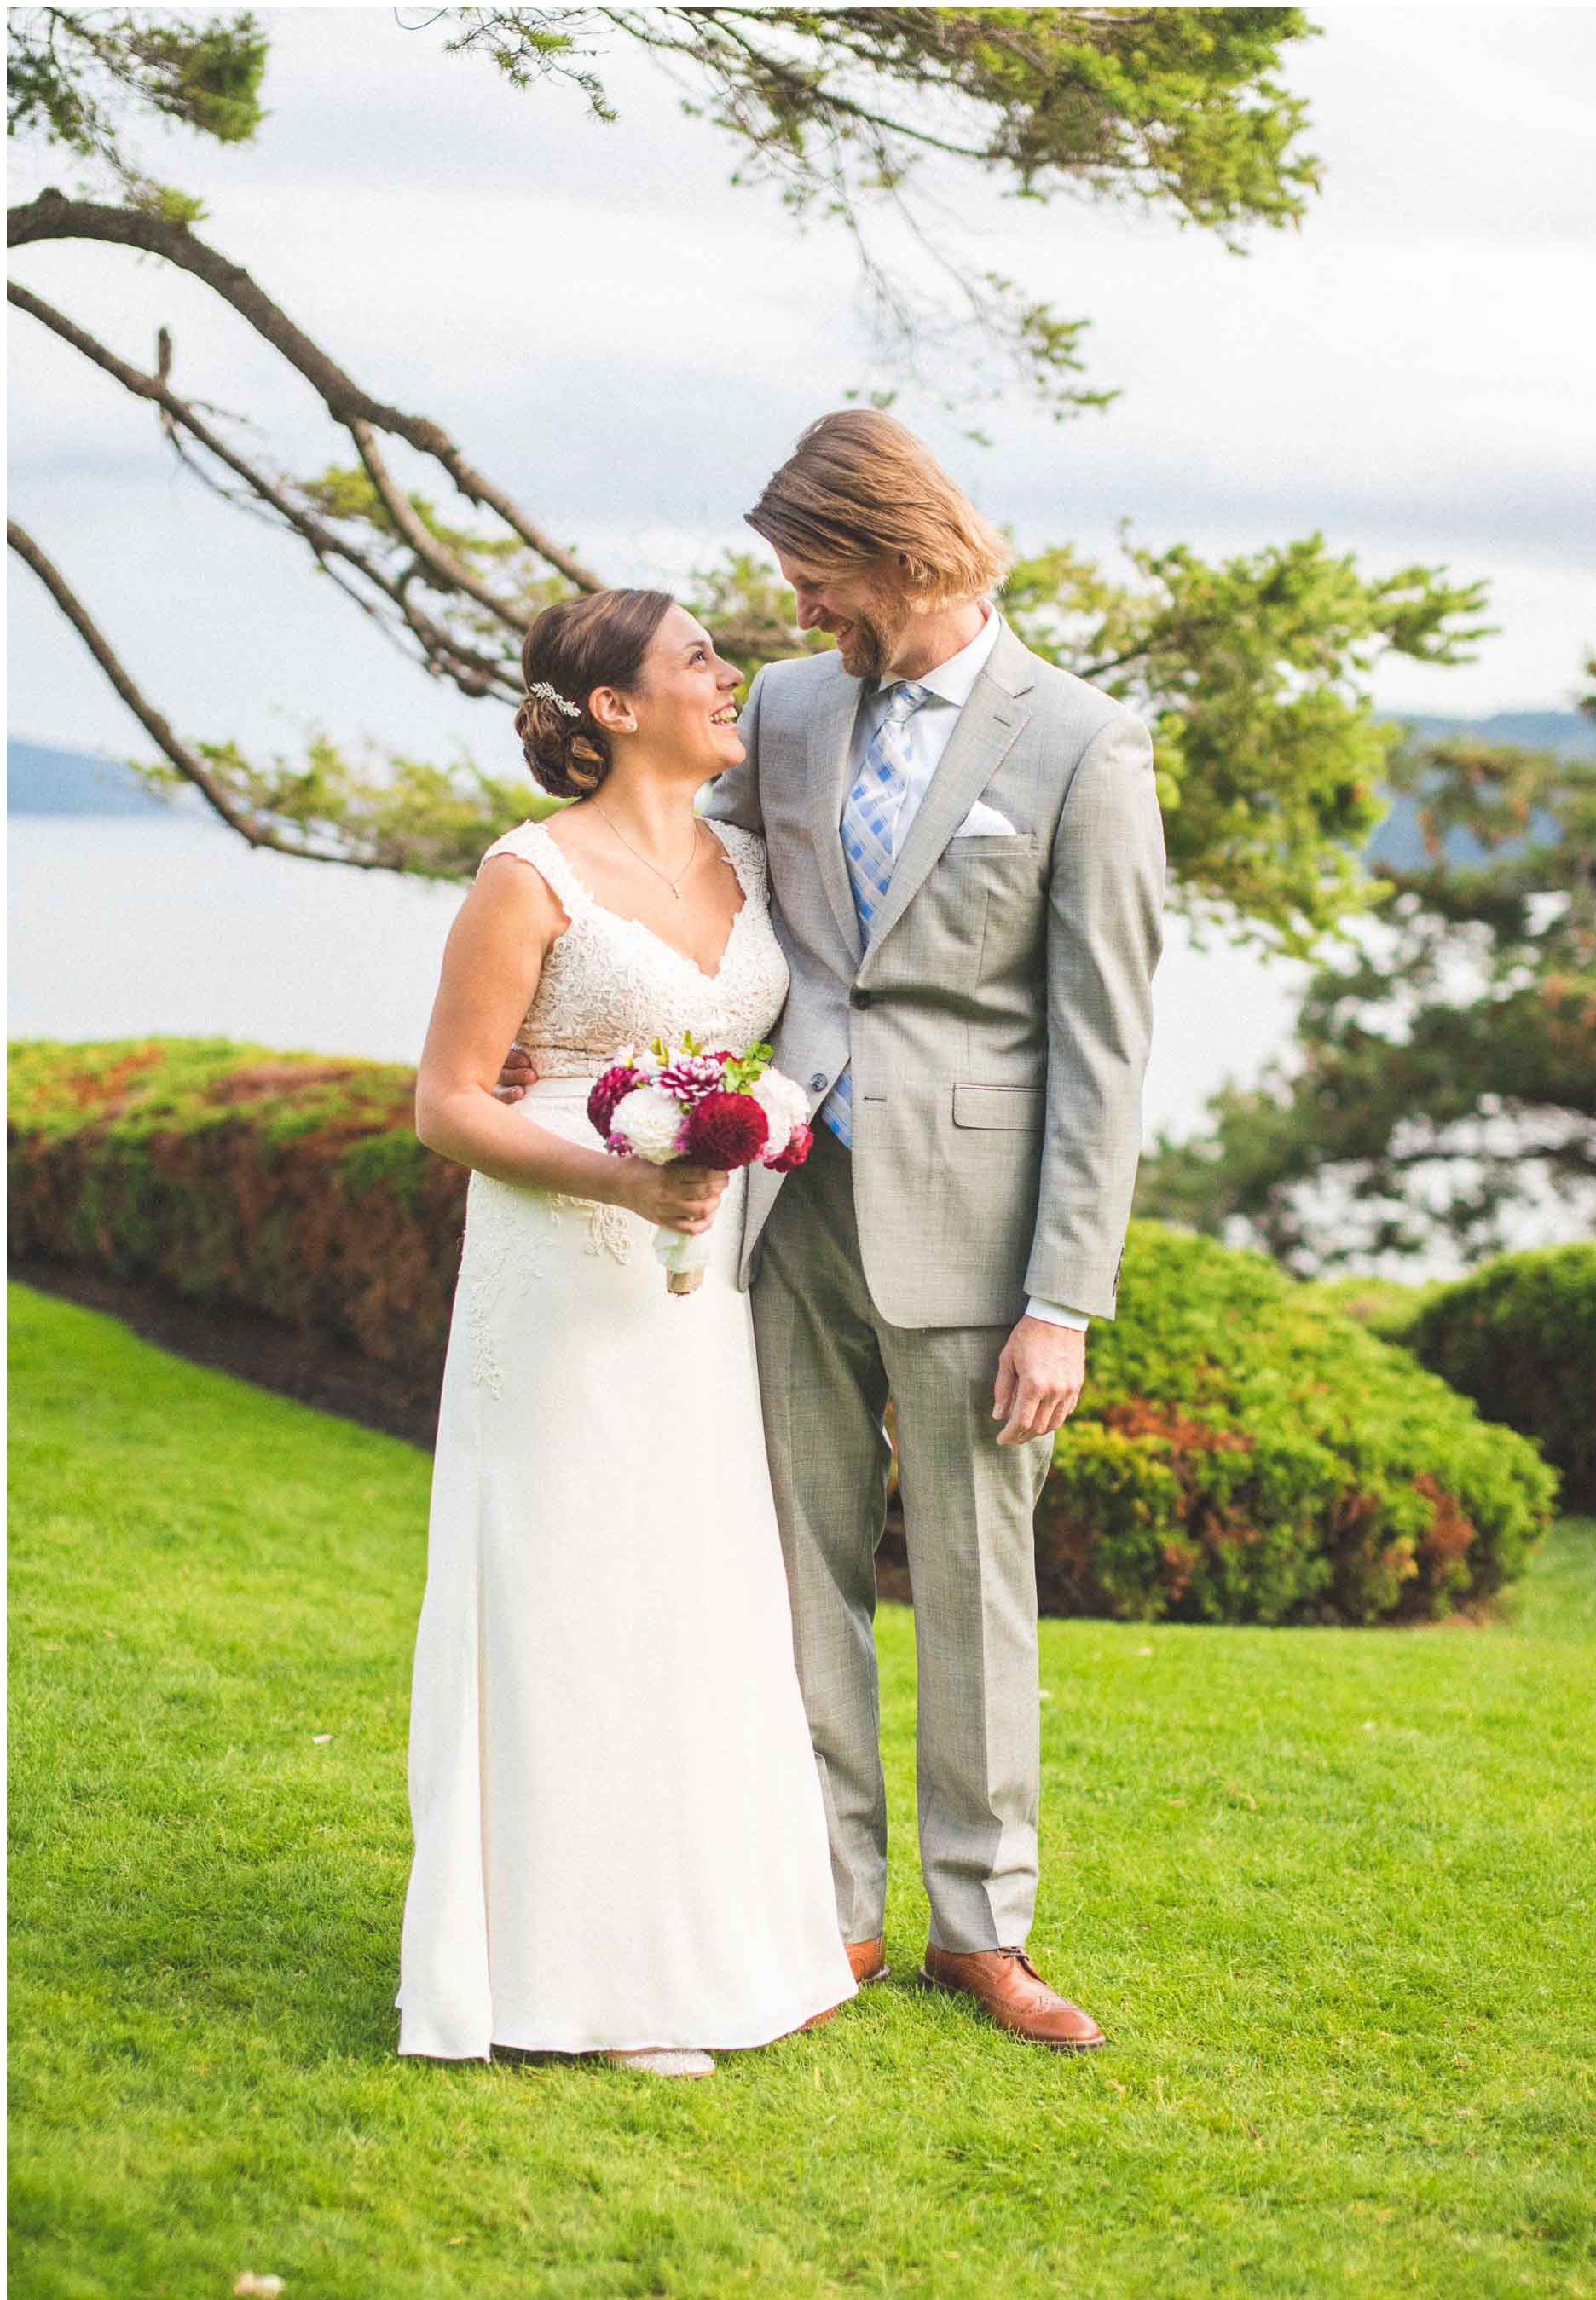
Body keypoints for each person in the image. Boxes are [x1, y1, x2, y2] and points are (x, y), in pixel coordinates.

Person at [504, 412, 1166, 2051]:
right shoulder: (792, 712)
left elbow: (1104, 1045)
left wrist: (1064, 1300)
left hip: (981, 1239)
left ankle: (983, 1927)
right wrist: (549, 1013)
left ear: (901, 549)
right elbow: (661, 862)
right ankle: (828, 1903)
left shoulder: (1083, 742)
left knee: (974, 1582)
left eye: (818, 577)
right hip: (784, 1211)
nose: (797, 614)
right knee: (796, 1566)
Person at [395, 586, 858, 2078]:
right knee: (571, 1589)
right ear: (613, 707)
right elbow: (446, 1102)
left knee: (692, 1588)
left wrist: (750, 1129)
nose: (731, 675)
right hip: (562, 1266)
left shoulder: (749, 859)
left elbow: (786, 1032)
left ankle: (715, 1944)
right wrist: (620, 1178)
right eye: (698, 658)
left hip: (701, 1277)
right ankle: (576, 1980)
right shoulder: (527, 876)